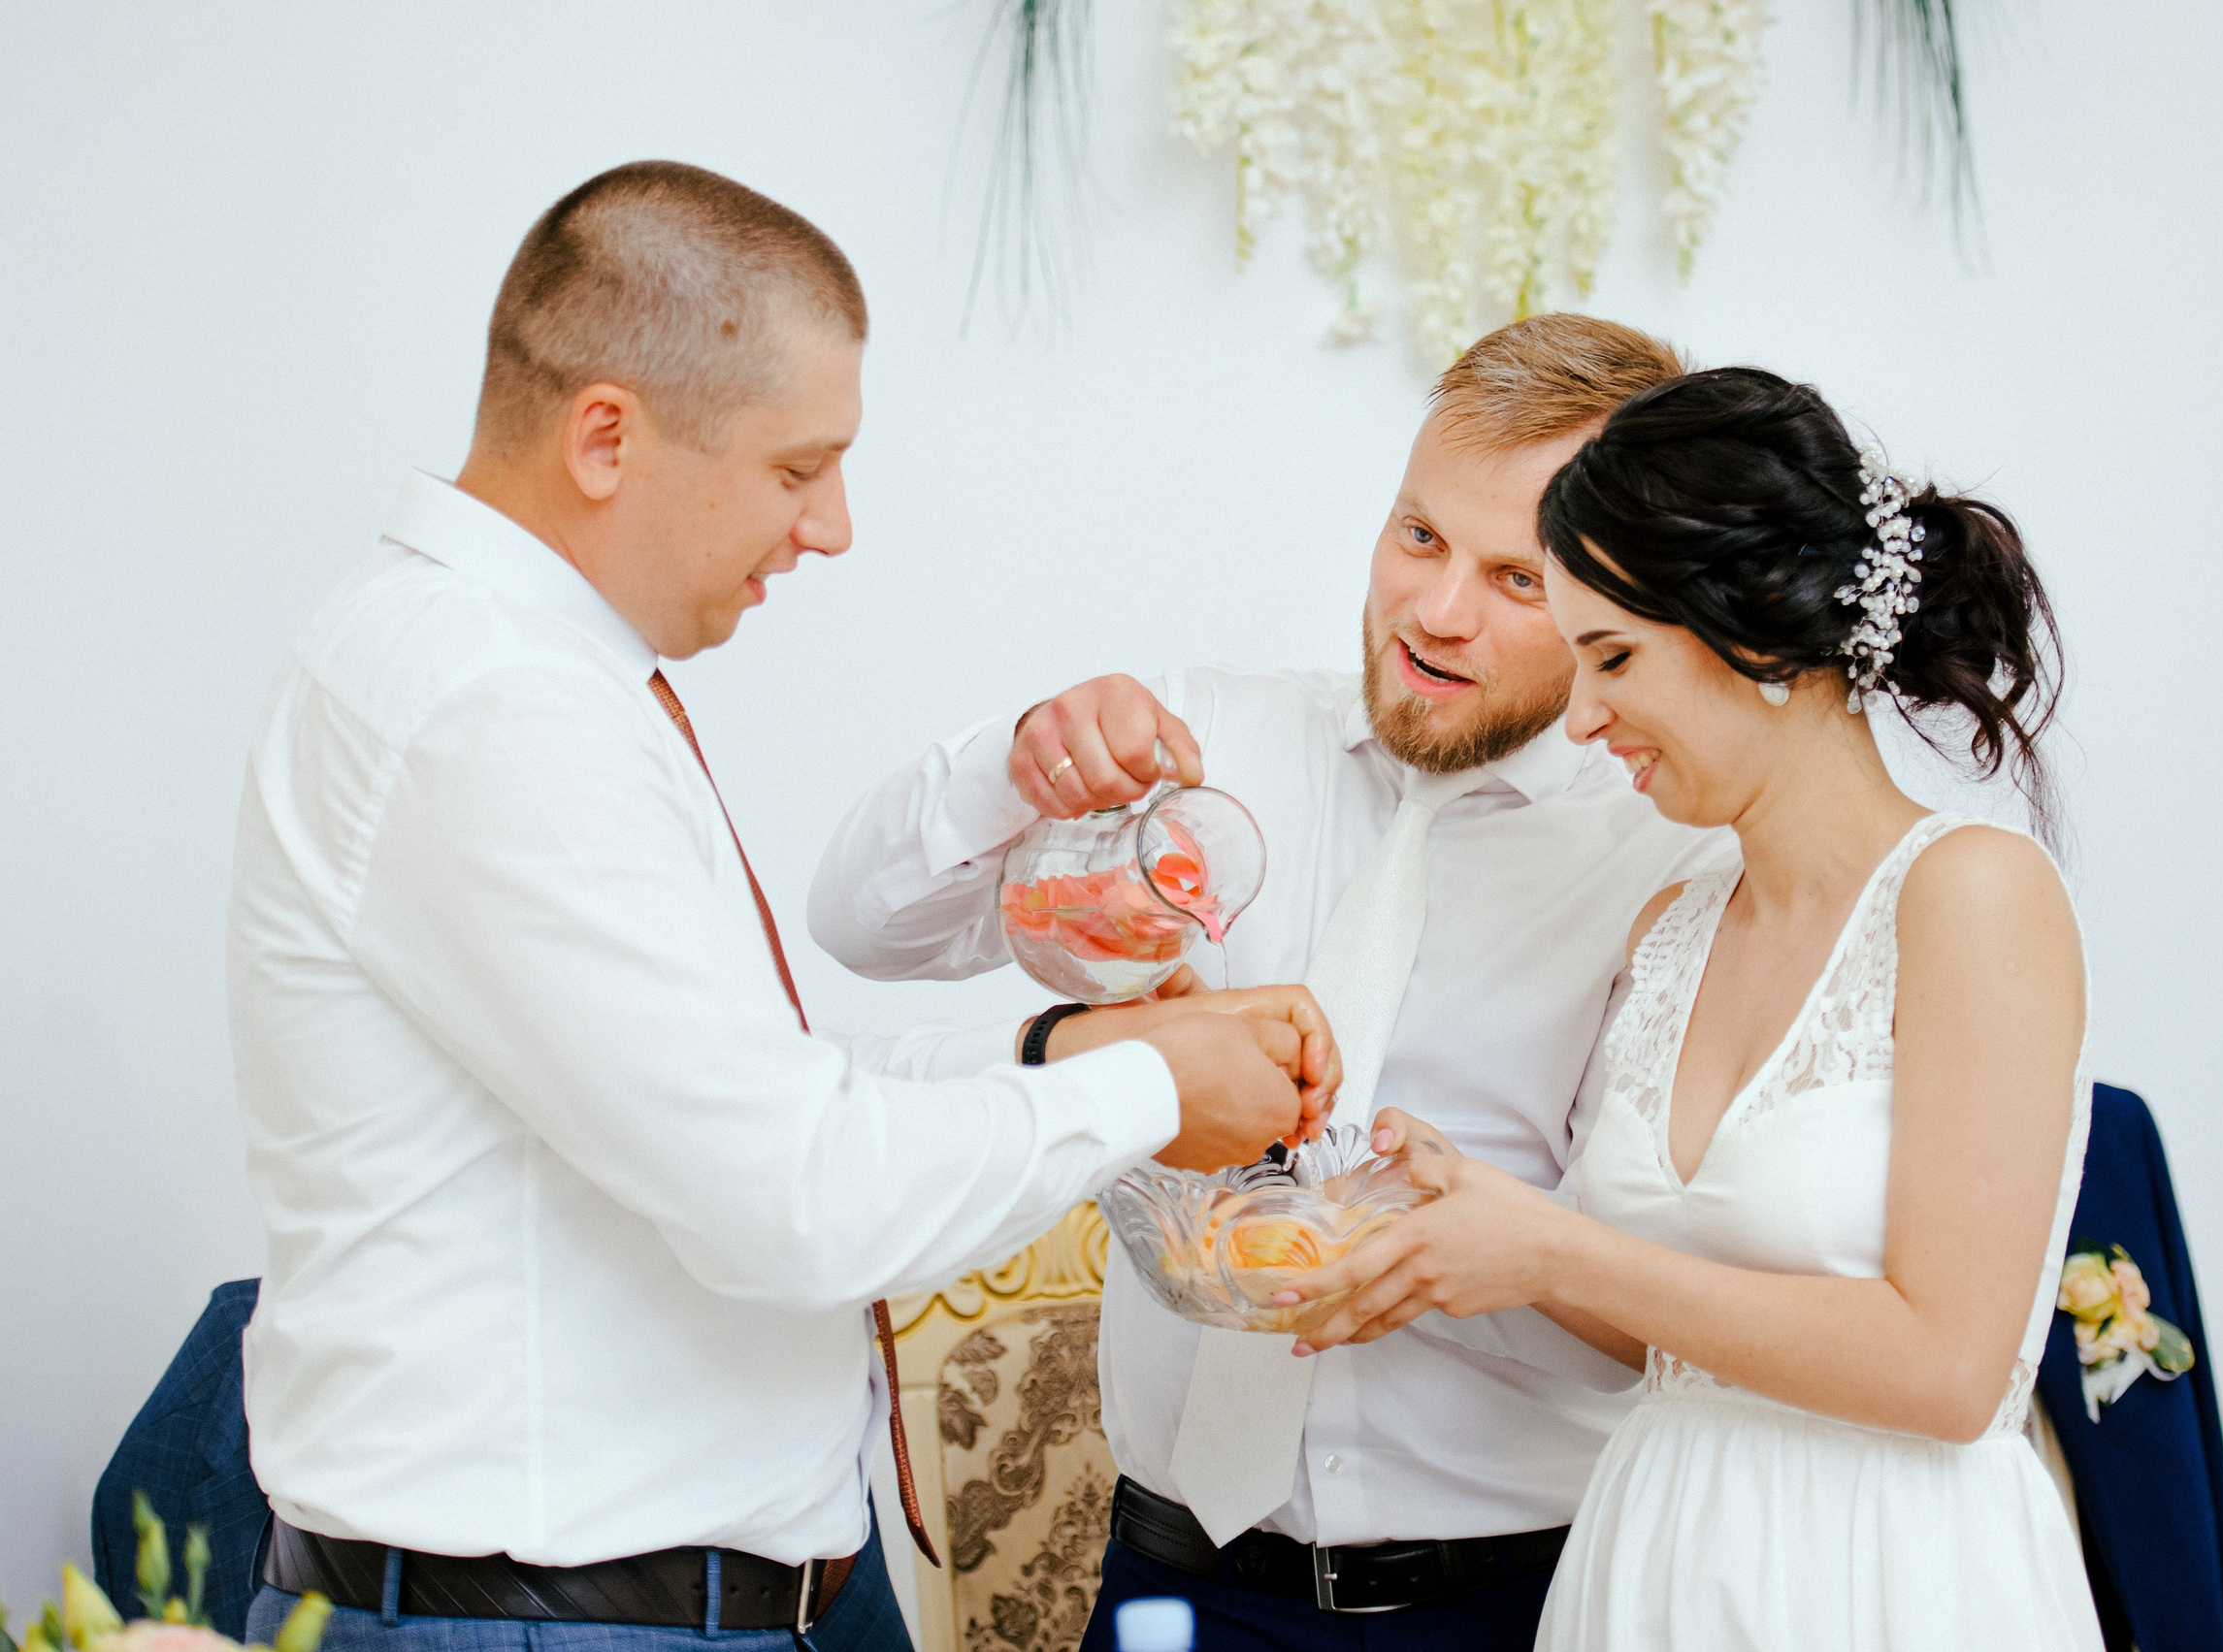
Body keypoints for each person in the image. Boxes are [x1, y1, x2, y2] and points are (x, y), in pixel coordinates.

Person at [228, 161, 1330, 1652]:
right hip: (557, 1622)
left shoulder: (515, 676)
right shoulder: (487, 706)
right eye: (798, 468)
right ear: (607, 436)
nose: (834, 528)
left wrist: (1058, 1057)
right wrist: (1145, 1086)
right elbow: (793, 1196)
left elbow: (748, 1092)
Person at [809, 315, 1731, 1651]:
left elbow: (1655, 1320)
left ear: (1625, 607)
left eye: (1515, 580)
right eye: (1417, 537)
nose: (1437, 611)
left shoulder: (1675, 863)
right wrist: (1018, 761)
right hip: (1177, 1584)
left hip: (1510, 1604)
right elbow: (860, 924)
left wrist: (1461, 1248)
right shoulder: (1206, 743)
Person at [1282, 367, 2104, 1651]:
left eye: (1612, 656)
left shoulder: (1973, 897)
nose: (1586, 711)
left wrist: (1556, 1251)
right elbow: (1657, 1326)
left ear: (1761, 638)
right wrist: (1488, 1220)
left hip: (1876, 1576)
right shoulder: (1674, 928)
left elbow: (1949, 1368)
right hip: (1656, 1556)